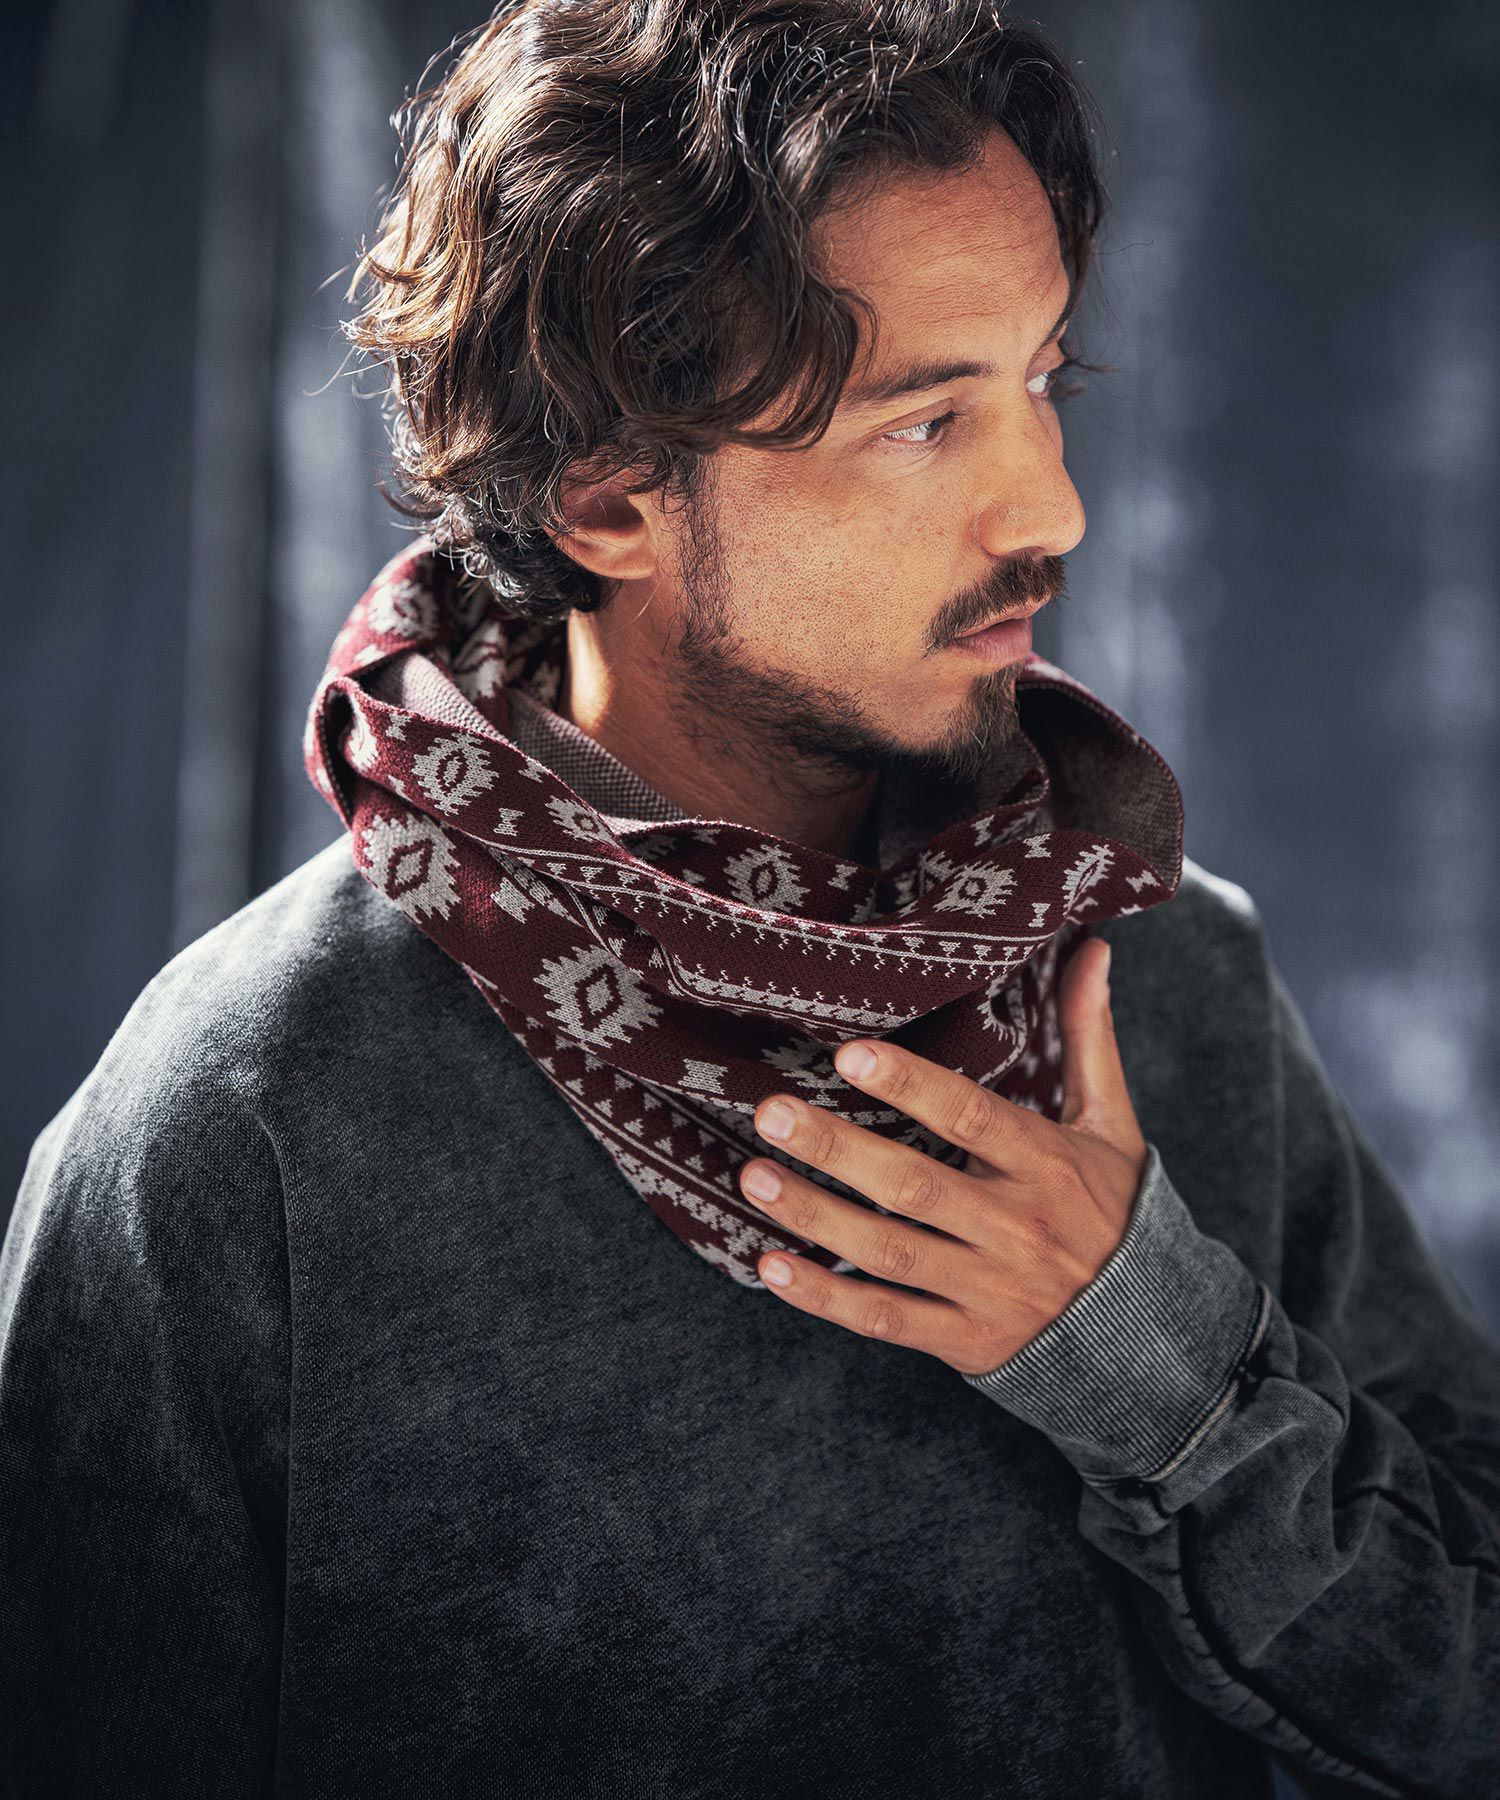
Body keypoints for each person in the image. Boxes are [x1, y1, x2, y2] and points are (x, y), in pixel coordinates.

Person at [4, 1, 1498, 1794]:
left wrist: (1151, 1356)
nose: (1052, 510)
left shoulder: (1160, 979)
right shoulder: (238, 1130)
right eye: (923, 424)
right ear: (607, 500)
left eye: (1041, 381)